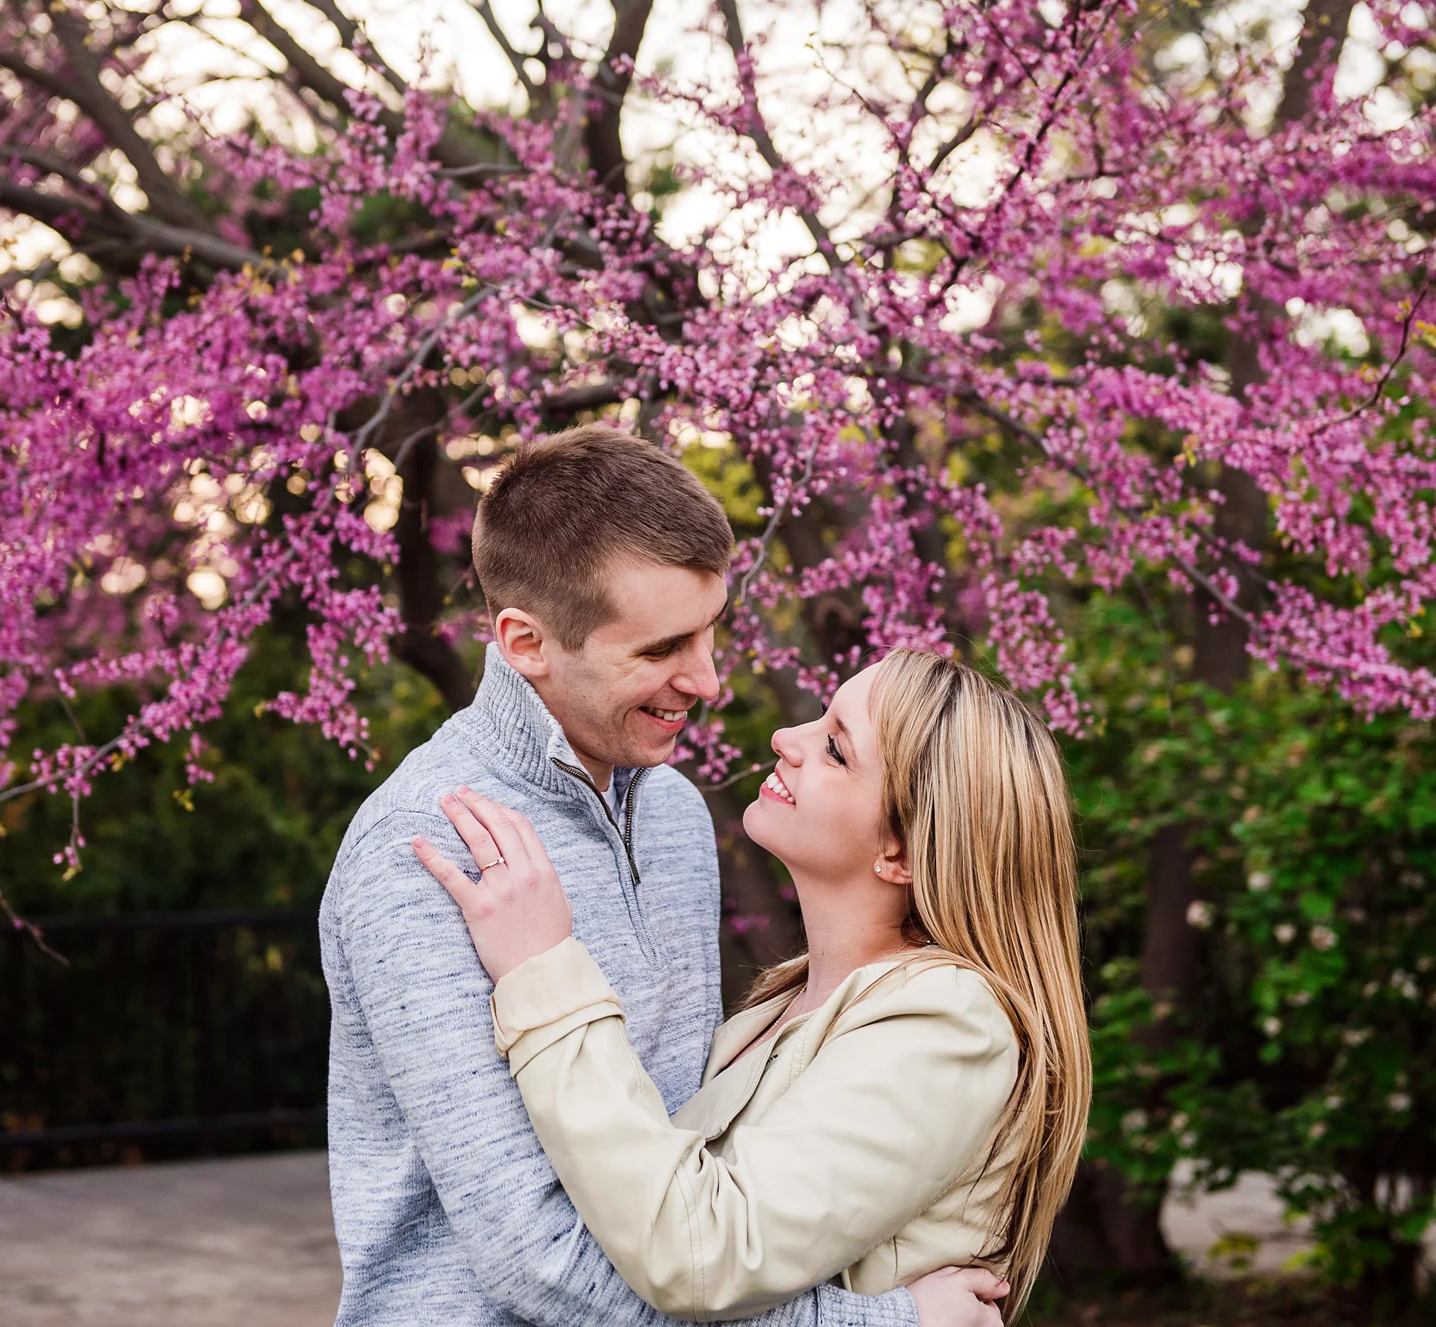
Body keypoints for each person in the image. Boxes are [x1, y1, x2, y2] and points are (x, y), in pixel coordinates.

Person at [319, 426, 1006, 1326]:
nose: (708, 680)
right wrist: (887, 1324)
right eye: (661, 649)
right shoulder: (424, 850)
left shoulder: (676, 815)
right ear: (526, 642)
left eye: (710, 631)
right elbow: (539, 1264)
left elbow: (689, 1206)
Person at [414, 648, 1092, 1324]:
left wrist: (542, 968)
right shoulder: (780, 1007)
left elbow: (701, 1254)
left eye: (835, 749)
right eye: (819, 717)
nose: (785, 738)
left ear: (901, 851)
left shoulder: (948, 1023)